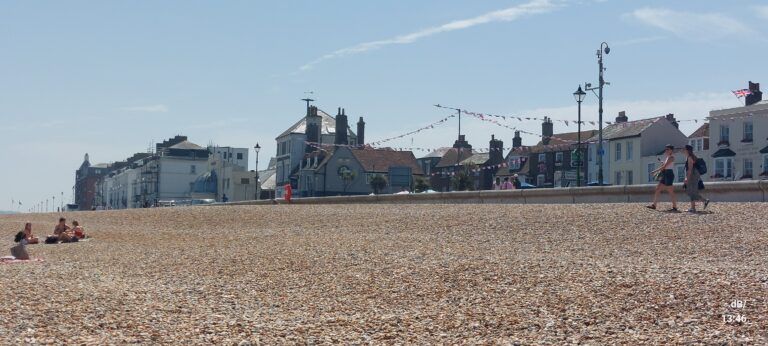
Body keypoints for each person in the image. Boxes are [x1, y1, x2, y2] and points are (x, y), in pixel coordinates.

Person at [647, 144, 678, 212]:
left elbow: (664, 167)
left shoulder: (671, 157)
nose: (666, 150)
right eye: (666, 149)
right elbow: (665, 165)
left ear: (671, 150)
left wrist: (655, 171)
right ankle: (654, 205)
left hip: (669, 174)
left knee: (670, 191)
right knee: (658, 189)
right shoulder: (668, 157)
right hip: (665, 174)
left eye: (668, 149)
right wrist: (663, 163)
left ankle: (675, 207)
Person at [683, 144, 710, 213]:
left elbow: (690, 169)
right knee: (692, 191)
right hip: (695, 175)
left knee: (691, 191)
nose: (683, 151)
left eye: (684, 149)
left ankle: (700, 203)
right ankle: (694, 207)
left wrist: (686, 178)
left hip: (693, 175)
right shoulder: (693, 156)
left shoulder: (690, 157)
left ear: (687, 150)